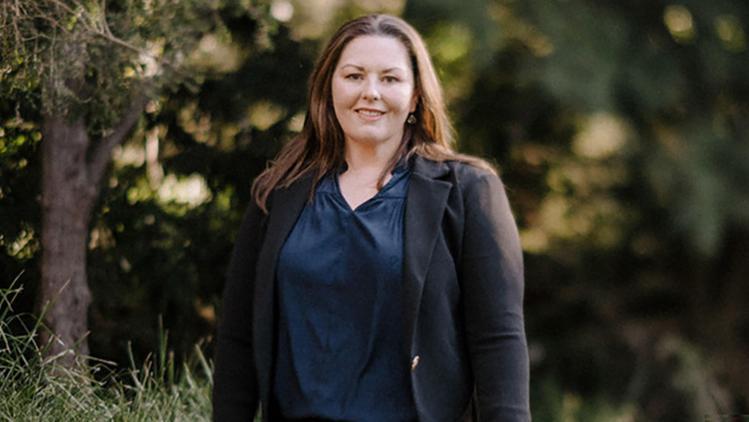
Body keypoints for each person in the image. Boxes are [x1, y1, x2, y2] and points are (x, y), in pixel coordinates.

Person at [212, 14, 530, 422]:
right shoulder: (277, 194)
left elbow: (498, 341)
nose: (371, 92)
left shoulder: (469, 192)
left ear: (416, 96)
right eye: (354, 76)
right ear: (329, 87)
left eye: (391, 79)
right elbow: (238, 339)